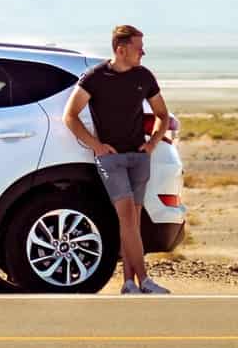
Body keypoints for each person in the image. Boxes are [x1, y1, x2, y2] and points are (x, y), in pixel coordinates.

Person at [62, 24, 173, 295]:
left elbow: (162, 114)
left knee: (132, 222)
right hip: (111, 161)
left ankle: (128, 283)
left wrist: (151, 144)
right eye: (138, 48)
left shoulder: (144, 77)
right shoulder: (94, 78)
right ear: (121, 49)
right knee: (126, 218)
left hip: (139, 158)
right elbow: (70, 115)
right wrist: (96, 146)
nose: (143, 53)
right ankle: (145, 280)